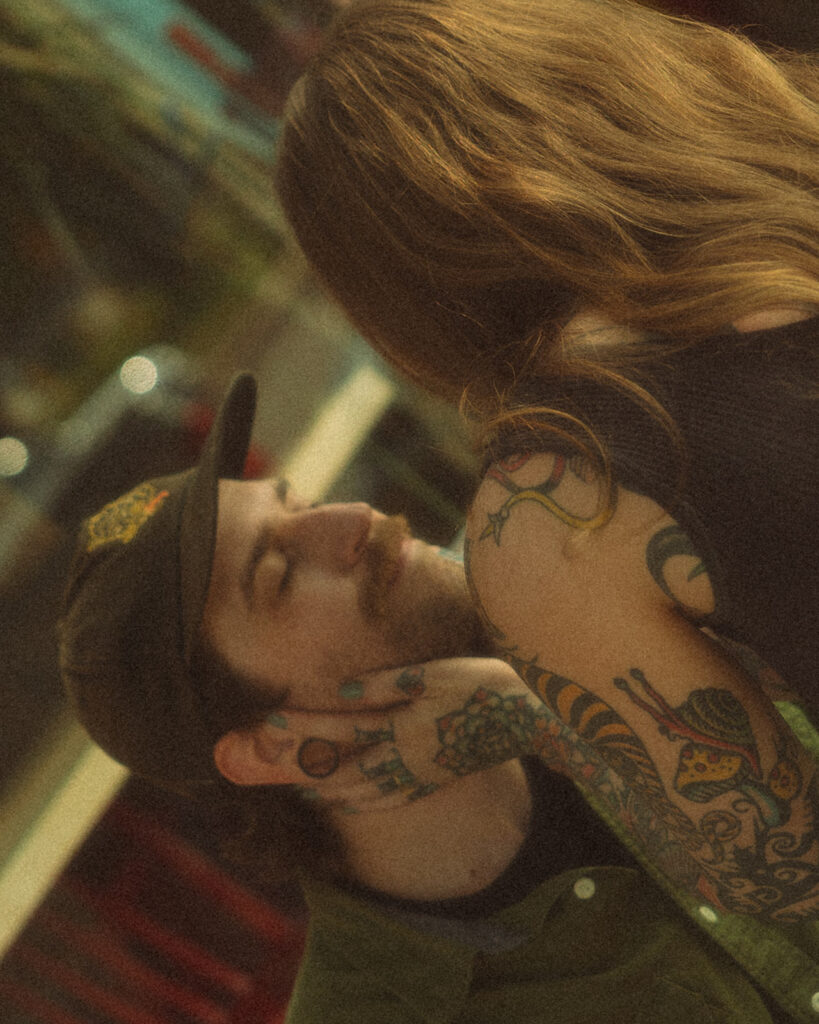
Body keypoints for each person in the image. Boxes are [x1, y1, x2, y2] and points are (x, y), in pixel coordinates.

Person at [272, 0, 819, 921]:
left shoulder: (552, 510)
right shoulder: (796, 140)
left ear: (400, 294)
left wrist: (541, 717)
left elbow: (789, 872)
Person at [59, 374, 790, 1023]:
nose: (351, 518)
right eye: (278, 571)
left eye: (299, 500)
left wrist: (548, 722)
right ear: (266, 747)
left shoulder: (621, 627)